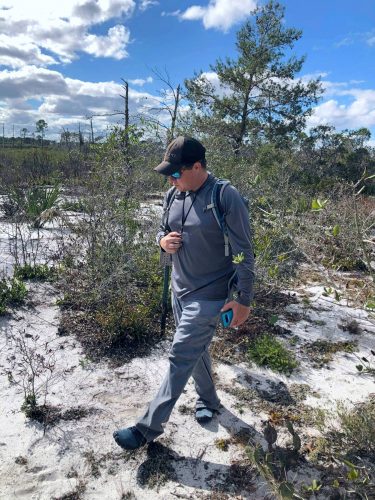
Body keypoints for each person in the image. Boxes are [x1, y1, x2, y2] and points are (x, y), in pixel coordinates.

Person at [113, 136, 255, 450]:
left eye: (177, 173)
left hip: (211, 295)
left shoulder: (224, 196)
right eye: (168, 174)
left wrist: (243, 299)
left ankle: (146, 429)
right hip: (180, 291)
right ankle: (208, 401)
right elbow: (164, 234)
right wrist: (162, 245)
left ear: (197, 166)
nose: (171, 179)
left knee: (180, 355)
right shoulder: (171, 195)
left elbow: (244, 252)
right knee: (196, 350)